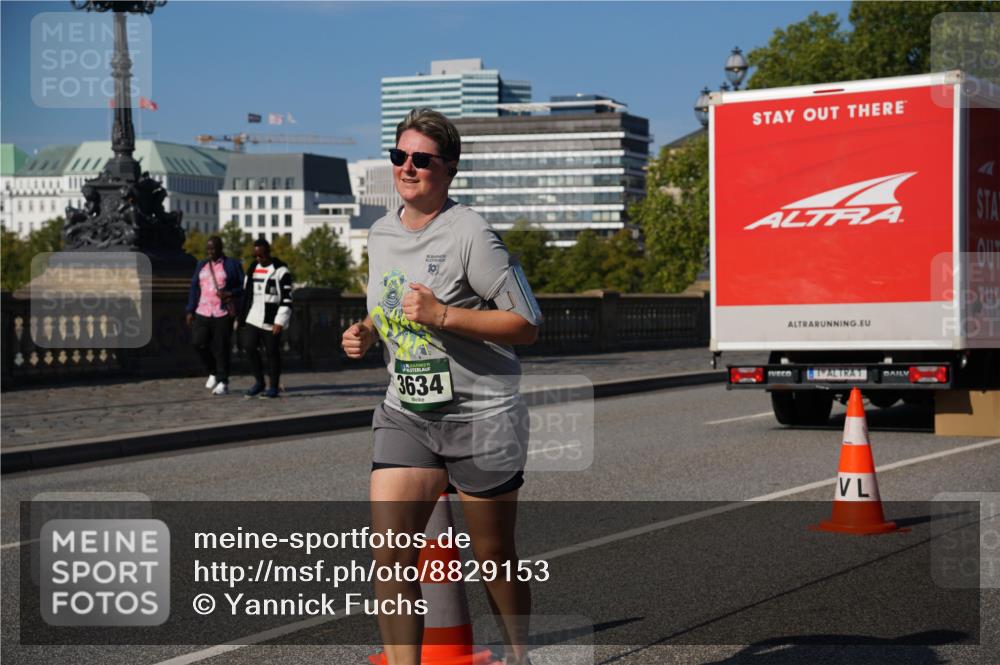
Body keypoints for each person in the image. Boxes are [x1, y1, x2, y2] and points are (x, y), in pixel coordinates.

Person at [342, 108, 542, 665]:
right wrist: (362, 331)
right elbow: (387, 312)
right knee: (390, 554)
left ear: (447, 169)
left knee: (494, 555)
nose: (407, 167)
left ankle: (519, 656)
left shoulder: (471, 233)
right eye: (399, 156)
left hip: (482, 415)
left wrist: (445, 316)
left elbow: (526, 324)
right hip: (406, 412)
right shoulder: (381, 232)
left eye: (421, 159)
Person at [186, 236, 244, 395]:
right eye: (208, 249)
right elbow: (194, 288)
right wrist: (190, 310)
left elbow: (243, 286)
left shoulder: (232, 265)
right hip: (203, 311)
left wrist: (230, 293)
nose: (210, 252)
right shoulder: (202, 265)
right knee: (198, 343)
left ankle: (223, 381)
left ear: (220, 249)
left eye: (213, 249)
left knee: (222, 348)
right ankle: (213, 371)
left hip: (222, 312)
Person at [239, 238, 293, 399]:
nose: (258, 259)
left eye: (261, 256)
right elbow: (247, 293)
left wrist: (280, 320)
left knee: (272, 353)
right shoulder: (253, 269)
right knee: (248, 347)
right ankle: (259, 381)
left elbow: (287, 298)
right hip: (253, 317)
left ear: (268, 253)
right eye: (255, 256)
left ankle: (273, 386)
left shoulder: (281, 271)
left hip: (271, 319)